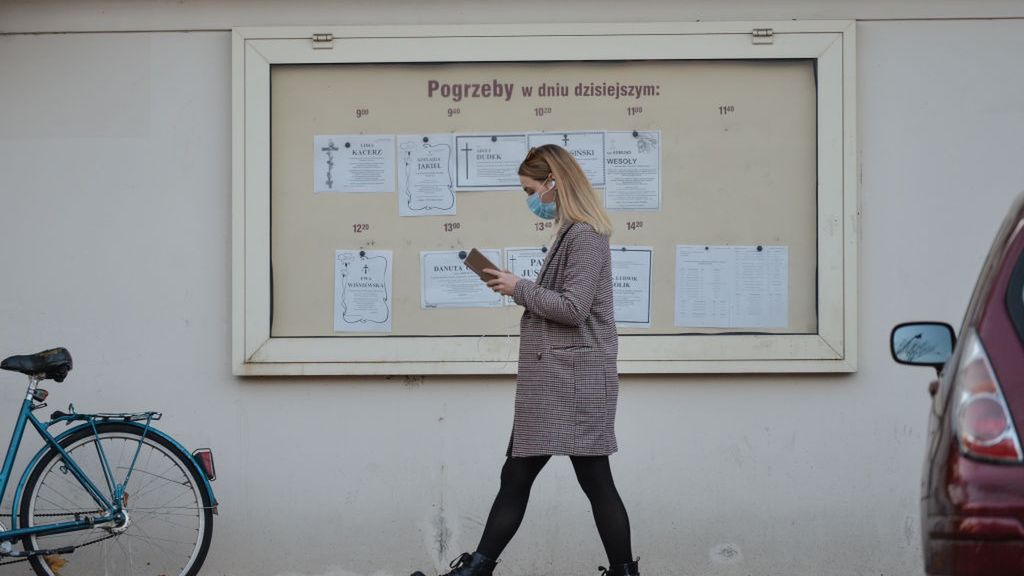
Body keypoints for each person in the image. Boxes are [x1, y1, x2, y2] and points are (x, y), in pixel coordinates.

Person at [411, 145, 638, 576]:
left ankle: (479, 570)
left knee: (586, 481)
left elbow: (573, 308)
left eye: (531, 189)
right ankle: (478, 569)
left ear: (554, 183)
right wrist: (518, 286)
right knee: (523, 477)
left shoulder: (586, 235)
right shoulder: (572, 233)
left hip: (573, 381)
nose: (530, 197)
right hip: (558, 381)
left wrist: (517, 287)